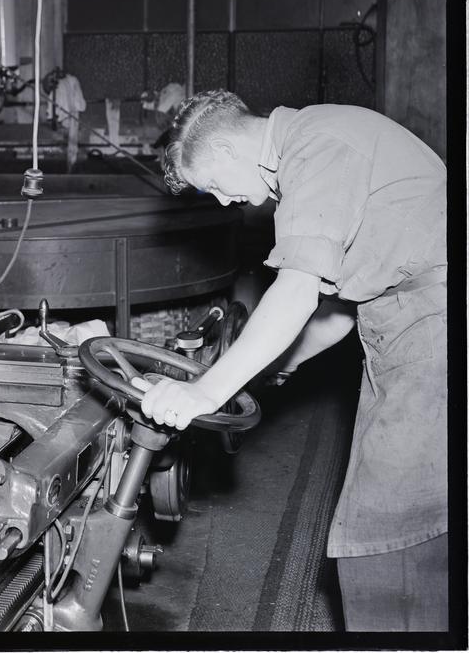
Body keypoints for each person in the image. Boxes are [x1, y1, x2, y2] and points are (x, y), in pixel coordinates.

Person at [141, 90, 447, 632]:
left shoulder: (315, 146)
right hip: (408, 331)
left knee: (382, 539)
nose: (219, 200)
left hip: (435, 336)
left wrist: (204, 392)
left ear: (232, 149)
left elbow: (299, 292)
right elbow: (339, 313)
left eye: (212, 184)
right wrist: (267, 371)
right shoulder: (320, 140)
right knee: (422, 525)